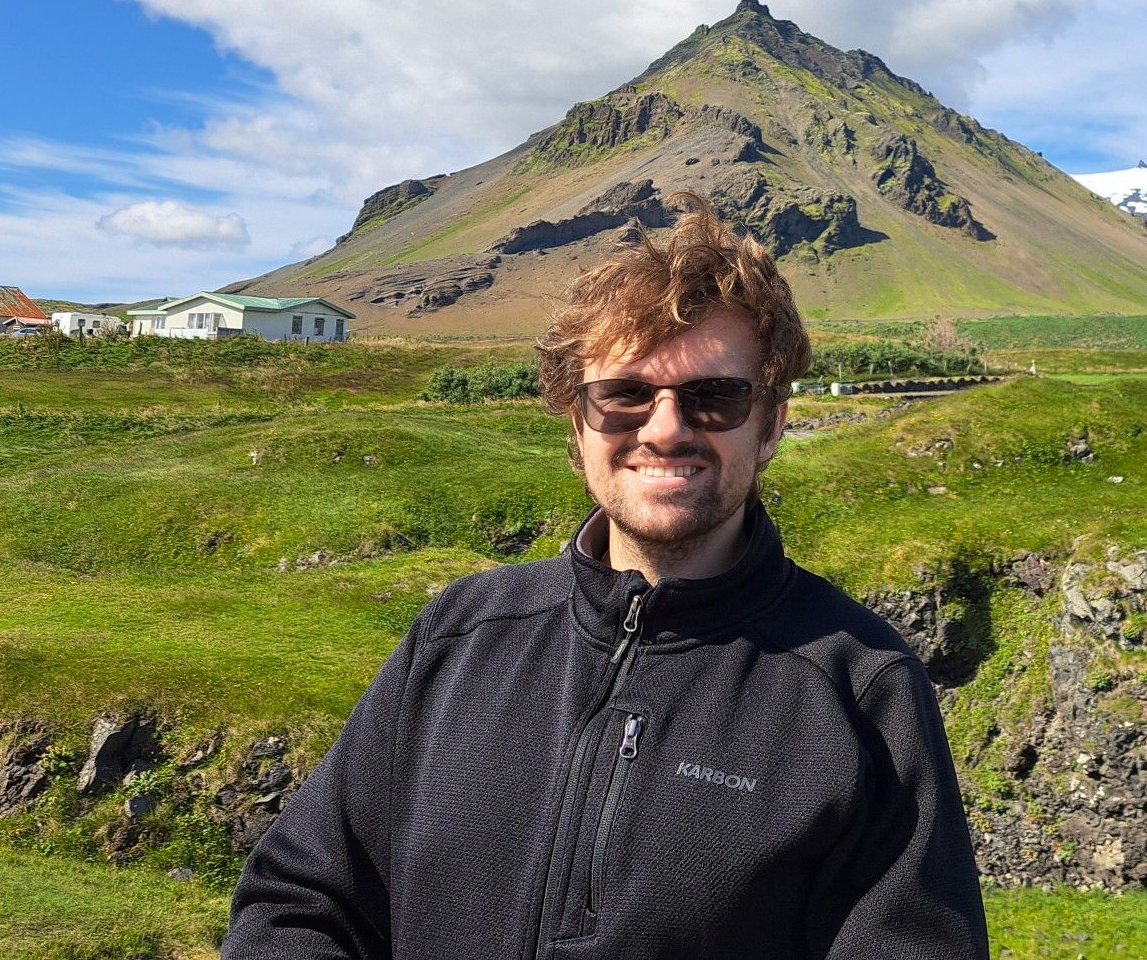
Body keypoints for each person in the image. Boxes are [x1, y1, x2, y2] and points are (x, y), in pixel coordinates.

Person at [224, 199, 988, 959]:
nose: (664, 428)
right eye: (625, 394)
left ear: (772, 423)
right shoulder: (462, 634)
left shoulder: (859, 686)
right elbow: (300, 898)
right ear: (577, 420)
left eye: (713, 397)